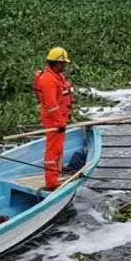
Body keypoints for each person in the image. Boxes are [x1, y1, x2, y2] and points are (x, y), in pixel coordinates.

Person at [33, 48, 73, 190]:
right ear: (58, 63)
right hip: (53, 120)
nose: (65, 66)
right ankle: (52, 182)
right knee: (52, 151)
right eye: (64, 63)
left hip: (59, 118)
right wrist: (59, 122)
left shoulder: (56, 76)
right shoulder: (48, 79)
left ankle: (58, 173)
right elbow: (51, 105)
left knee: (58, 148)